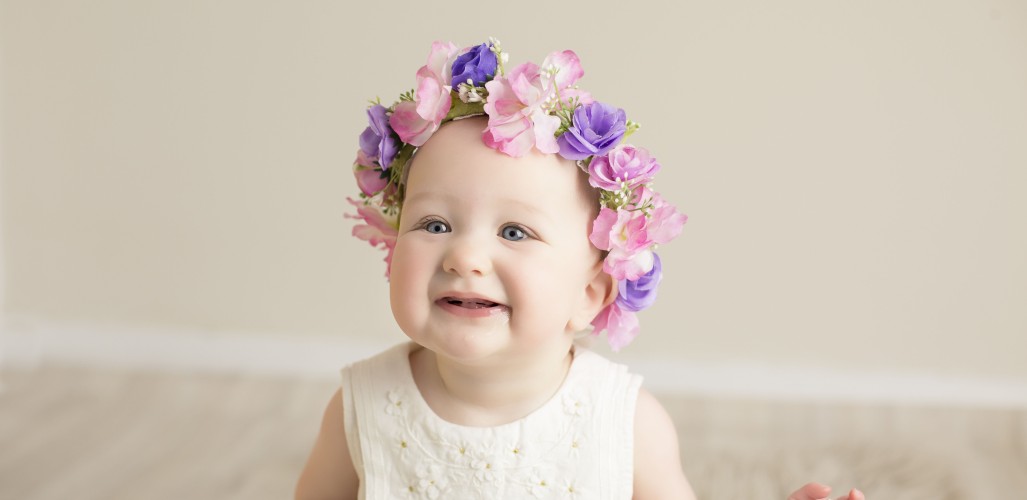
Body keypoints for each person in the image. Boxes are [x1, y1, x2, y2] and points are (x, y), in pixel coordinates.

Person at [296, 39, 865, 500]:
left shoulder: (623, 421)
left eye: (514, 232)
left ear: (590, 294)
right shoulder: (364, 403)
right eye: (435, 225)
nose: (464, 257)